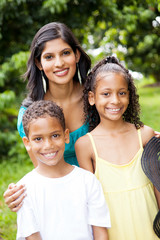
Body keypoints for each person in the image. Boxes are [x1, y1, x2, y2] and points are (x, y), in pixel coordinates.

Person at [3, 21, 91, 211]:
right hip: (63, 197)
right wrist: (18, 194)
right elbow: (43, 172)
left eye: (65, 53)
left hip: (104, 188)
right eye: (49, 57)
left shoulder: (96, 98)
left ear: (76, 55)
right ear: (39, 63)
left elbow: (121, 135)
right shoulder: (30, 115)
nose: (59, 63)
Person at [75, 56, 160, 240]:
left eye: (122, 93)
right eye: (106, 94)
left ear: (129, 95)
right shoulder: (85, 146)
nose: (115, 100)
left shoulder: (144, 135)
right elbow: (90, 202)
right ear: (92, 98)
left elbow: (158, 188)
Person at [16, 100, 111, 240]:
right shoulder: (24, 189)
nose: (48, 145)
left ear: (66, 136)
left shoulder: (88, 180)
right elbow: (32, 236)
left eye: (55, 135)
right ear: (27, 143)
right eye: (38, 139)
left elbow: (100, 232)